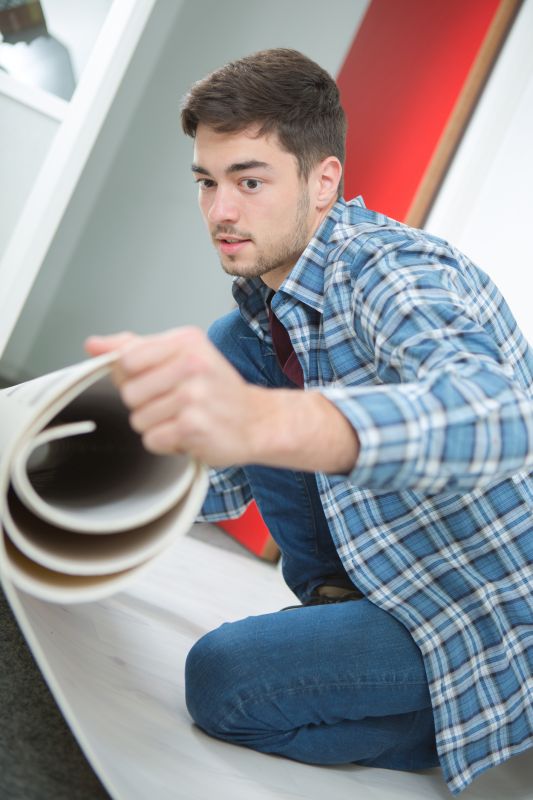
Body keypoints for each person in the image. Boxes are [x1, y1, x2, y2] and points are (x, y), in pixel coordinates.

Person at [85, 48, 533, 796]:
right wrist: (65, 480)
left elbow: (502, 414)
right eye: (207, 182)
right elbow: (216, 485)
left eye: (250, 181)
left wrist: (265, 420)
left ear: (323, 181)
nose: (221, 212)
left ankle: (494, 710)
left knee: (227, 682)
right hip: (386, 583)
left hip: (486, 608)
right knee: (234, 344)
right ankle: (351, 627)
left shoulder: (390, 270)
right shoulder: (268, 314)